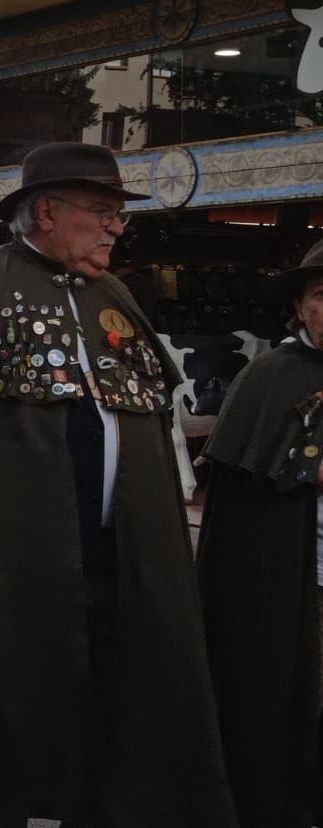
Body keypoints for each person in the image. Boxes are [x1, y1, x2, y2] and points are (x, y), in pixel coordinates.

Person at [0, 142, 234, 826]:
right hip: (5, 566)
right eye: (102, 211)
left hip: (115, 558)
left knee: (115, 724)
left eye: (117, 215)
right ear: (46, 211)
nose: (115, 227)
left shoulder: (116, 297)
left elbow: (146, 429)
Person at [197, 238, 323, 827]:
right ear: (299, 306)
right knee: (287, 706)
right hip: (291, 582)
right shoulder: (271, 377)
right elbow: (240, 497)